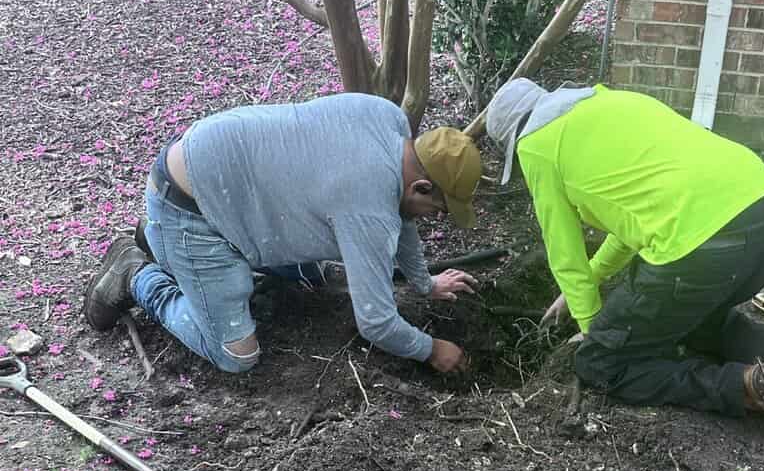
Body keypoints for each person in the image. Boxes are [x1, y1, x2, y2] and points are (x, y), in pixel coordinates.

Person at [485, 79, 764, 424]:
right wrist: (588, 283)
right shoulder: (607, 102)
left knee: (598, 363)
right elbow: (633, 226)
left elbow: (566, 259)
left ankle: (745, 385)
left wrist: (596, 334)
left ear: (514, 141)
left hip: (707, 249)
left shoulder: (535, 146)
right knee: (680, 314)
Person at [84, 93, 482, 376]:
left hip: (215, 181)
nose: (434, 219)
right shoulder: (369, 205)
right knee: (237, 356)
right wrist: (431, 350)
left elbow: (404, 214)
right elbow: (376, 323)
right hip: (192, 211)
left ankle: (161, 242)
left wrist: (424, 283)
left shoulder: (389, 121)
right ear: (422, 187)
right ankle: (136, 273)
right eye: (438, 210)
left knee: (317, 275)